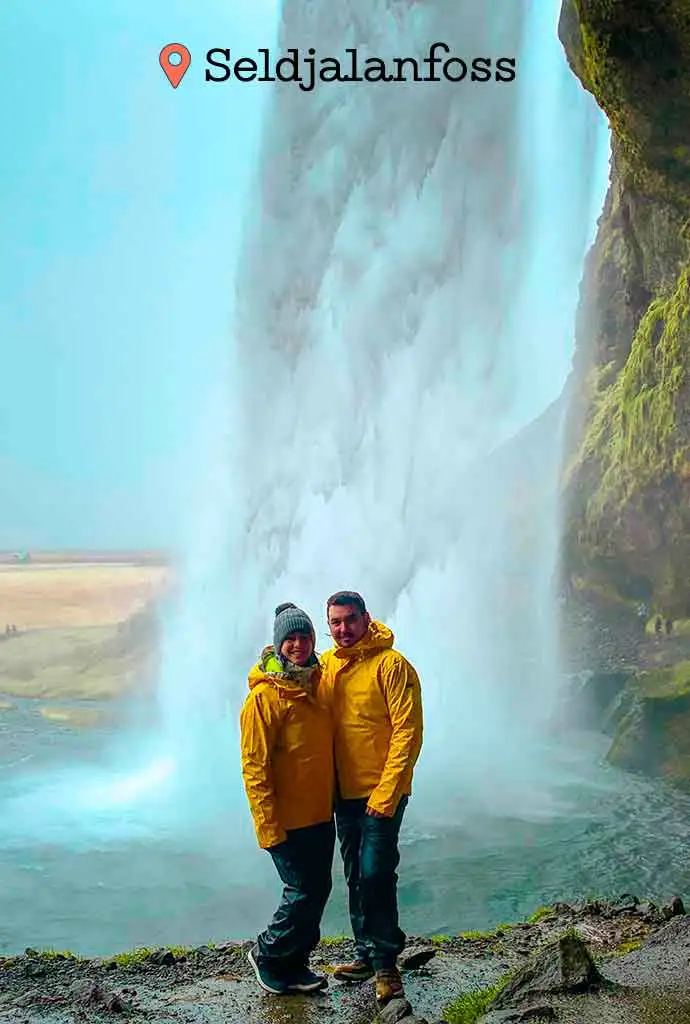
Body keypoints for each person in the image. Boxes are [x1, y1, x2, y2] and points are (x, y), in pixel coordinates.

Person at [319, 590, 424, 1005]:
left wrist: (387, 792)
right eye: (335, 622)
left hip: (383, 791)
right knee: (354, 874)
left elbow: (407, 732)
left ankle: (386, 968)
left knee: (375, 874)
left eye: (349, 620)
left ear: (366, 619)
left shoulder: (392, 666)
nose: (343, 629)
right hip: (343, 794)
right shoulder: (326, 665)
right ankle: (367, 952)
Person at [240, 602, 335, 996]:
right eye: (290, 639)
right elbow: (255, 767)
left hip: (319, 814)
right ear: (278, 646)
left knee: (318, 890)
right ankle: (268, 953)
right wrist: (267, 825)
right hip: (287, 819)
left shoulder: (317, 683)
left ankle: (294, 963)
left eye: (304, 636)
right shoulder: (263, 700)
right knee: (301, 891)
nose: (298, 644)